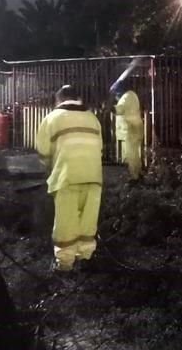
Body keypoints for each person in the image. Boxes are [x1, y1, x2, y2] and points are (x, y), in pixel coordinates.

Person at [36, 85, 104, 271]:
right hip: (93, 176)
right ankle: (85, 258)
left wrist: (50, 168)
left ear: (59, 100)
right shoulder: (92, 118)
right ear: (78, 98)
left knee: (66, 223)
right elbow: (99, 149)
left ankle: (64, 265)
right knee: (88, 221)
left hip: (66, 176)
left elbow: (43, 152)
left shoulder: (52, 118)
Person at [113, 86, 144, 181]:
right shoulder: (132, 95)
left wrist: (110, 107)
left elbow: (120, 109)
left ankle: (133, 177)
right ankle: (137, 175)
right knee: (134, 154)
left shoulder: (127, 96)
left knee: (130, 155)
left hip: (129, 131)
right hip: (133, 130)